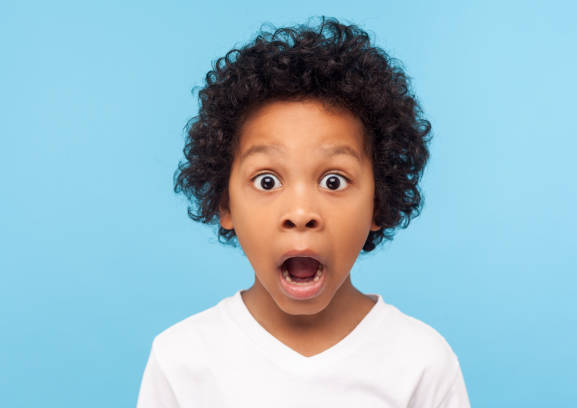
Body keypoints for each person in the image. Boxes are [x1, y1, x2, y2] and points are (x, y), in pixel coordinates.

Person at [137, 17, 470, 407]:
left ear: (378, 202)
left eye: (333, 181)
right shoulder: (182, 359)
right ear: (224, 204)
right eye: (266, 181)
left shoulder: (421, 363)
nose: (300, 212)